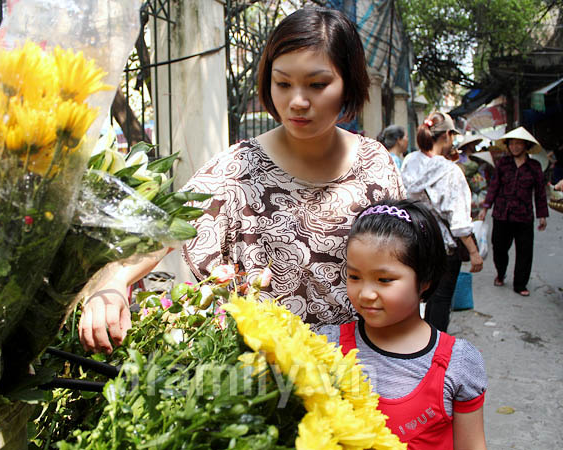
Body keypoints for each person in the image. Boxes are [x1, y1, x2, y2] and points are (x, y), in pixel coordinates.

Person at [78, 7, 405, 354]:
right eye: (283, 83)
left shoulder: (375, 165)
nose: (297, 101)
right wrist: (114, 281)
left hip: (363, 371)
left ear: (348, 84)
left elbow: (403, 265)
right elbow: (168, 226)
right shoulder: (238, 167)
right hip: (260, 380)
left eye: (317, 84)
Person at [319, 199, 487, 450]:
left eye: (384, 279)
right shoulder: (326, 347)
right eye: (354, 276)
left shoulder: (457, 363)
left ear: (426, 280)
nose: (365, 293)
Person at [400, 112, 482, 332]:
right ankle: (433, 351)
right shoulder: (451, 171)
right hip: (443, 248)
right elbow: (459, 221)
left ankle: (410, 342)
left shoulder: (410, 162)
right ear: (446, 135)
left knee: (414, 298)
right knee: (440, 301)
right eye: (452, 136)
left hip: (412, 242)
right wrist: (474, 252)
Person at [478, 127, 548, 297]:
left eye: (519, 143)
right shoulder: (503, 164)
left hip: (524, 215)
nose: (515, 147)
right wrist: (485, 208)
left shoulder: (534, 167)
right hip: (502, 214)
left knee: (525, 251)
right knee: (499, 248)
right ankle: (501, 273)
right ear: (508, 145)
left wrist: (542, 215)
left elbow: (540, 192)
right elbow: (494, 187)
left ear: (526, 146)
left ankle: (520, 284)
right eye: (512, 143)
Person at [456, 133, 489, 219]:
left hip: (479, 189)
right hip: (466, 188)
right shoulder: (459, 158)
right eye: (472, 144)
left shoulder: (478, 156)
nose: (474, 146)